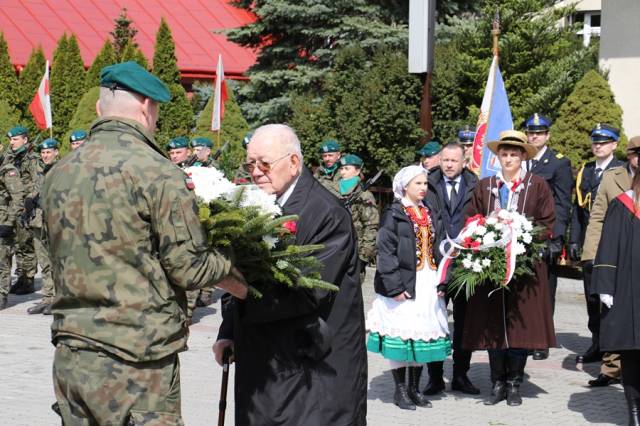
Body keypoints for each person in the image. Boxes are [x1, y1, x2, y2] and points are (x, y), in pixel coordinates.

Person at [42, 61, 247, 425]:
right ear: (146, 107)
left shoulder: (59, 172)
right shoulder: (159, 174)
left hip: (72, 355)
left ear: (98, 108)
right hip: (136, 363)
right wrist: (237, 268)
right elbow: (189, 266)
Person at [213, 124, 367, 425]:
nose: (256, 172)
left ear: (293, 162)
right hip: (266, 363)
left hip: (312, 373)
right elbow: (247, 268)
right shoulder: (260, 203)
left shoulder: (326, 214)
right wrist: (229, 331)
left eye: (264, 164)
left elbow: (306, 293)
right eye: (250, 164)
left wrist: (239, 288)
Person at [463, 130, 556, 407]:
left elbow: (547, 221)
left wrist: (524, 235)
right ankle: (496, 382)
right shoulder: (486, 185)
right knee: (493, 324)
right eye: (504, 153)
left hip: (525, 268)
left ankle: (514, 382)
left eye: (514, 154)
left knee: (520, 325)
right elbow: (471, 218)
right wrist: (484, 230)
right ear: (498, 156)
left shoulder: (536, 185)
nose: (509, 158)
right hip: (492, 268)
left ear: (523, 156)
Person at [367, 165, 450, 410]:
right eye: (418, 184)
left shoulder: (430, 212)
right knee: (402, 334)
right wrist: (394, 287)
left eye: (425, 184)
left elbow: (441, 247)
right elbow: (386, 251)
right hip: (404, 283)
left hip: (428, 281)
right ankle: (400, 390)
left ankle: (414, 389)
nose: (424, 188)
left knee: (421, 334)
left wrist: (444, 279)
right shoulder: (393, 213)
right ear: (404, 186)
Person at [580, 135, 640, 387]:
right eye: (635, 153)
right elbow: (598, 218)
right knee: (611, 315)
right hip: (612, 256)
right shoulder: (612, 176)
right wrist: (592, 255)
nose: (639, 158)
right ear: (628, 155)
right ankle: (610, 368)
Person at [423, 142, 480, 396]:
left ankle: (460, 375)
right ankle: (434, 376)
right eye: (444, 160)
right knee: (434, 321)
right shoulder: (427, 183)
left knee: (465, 322)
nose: (448, 165)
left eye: (453, 161)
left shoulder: (475, 184)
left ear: (463, 162)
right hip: (435, 264)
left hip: (465, 265)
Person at [569, 124, 624, 365]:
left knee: (610, 297)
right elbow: (578, 210)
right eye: (595, 141)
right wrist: (574, 239)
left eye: (603, 141)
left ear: (614, 144)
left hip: (613, 243)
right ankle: (596, 343)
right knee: (592, 296)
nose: (598, 145)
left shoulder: (623, 170)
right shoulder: (587, 171)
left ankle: (613, 349)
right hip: (590, 243)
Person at [590, 171, 640, 425]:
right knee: (632, 352)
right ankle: (634, 413)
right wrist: (606, 285)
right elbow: (608, 245)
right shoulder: (624, 204)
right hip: (630, 290)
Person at [523, 113, 573, 360]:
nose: (535, 137)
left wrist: (556, 238)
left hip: (545, 234)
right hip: (520, 234)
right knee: (522, 286)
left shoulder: (558, 163)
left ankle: (541, 339)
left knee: (544, 288)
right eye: (531, 133)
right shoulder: (522, 160)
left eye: (539, 133)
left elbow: (563, 204)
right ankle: (523, 334)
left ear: (547, 136)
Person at [26, 138, 60, 315]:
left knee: (56, 262)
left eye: (49, 152)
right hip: (38, 221)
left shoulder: (62, 169)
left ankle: (58, 299)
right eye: (43, 152)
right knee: (44, 261)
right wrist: (29, 202)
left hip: (54, 222)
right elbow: (35, 189)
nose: (45, 155)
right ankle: (47, 297)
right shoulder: (39, 170)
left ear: (56, 152)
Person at [5, 125, 39, 296]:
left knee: (25, 244)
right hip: (10, 206)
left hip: (25, 205)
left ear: (25, 140)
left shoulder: (32, 158)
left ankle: (28, 280)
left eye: (15, 139)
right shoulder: (10, 158)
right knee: (14, 244)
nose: (12, 143)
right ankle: (20, 277)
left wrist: (29, 199)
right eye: (10, 140)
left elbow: (37, 182)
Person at [337, 154, 379, 281]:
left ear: (357, 171)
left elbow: (371, 226)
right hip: (335, 248)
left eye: (347, 168)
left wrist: (364, 256)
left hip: (355, 251)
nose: (343, 172)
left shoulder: (364, 196)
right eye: (341, 169)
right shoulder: (333, 190)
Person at [0, 147, 24, 310]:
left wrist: (9, 222)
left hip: (2, 220)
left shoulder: (8, 171)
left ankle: (1, 295)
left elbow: (18, 198)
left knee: (2, 260)